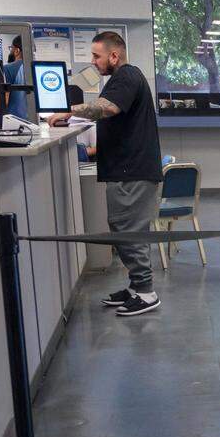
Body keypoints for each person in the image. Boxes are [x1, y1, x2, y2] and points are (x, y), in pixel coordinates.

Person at [46, 31, 163, 316]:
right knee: (123, 229)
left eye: (97, 56)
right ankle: (137, 287)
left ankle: (146, 292)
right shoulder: (123, 79)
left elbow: (107, 107)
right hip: (128, 169)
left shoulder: (126, 76)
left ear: (114, 55)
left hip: (132, 170)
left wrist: (66, 112)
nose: (93, 62)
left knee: (128, 231)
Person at [0, 36, 29, 120]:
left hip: (14, 123)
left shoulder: (7, 69)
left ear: (17, 50)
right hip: (34, 121)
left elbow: (1, 103)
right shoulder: (37, 68)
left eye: (11, 48)